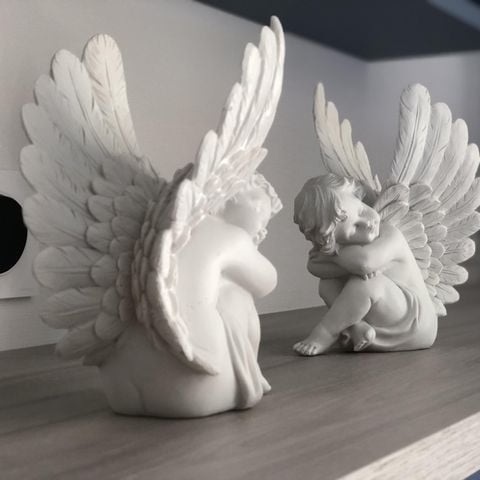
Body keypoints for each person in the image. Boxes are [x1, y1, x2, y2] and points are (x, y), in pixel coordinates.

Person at [292, 173, 437, 356]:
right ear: (332, 238)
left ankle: (327, 332)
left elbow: (365, 263)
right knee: (327, 284)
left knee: (367, 282)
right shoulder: (345, 245)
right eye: (354, 227)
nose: (367, 223)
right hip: (383, 317)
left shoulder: (390, 234)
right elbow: (314, 266)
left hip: (415, 322)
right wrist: (346, 261)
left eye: (362, 210)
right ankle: (355, 328)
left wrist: (334, 254)